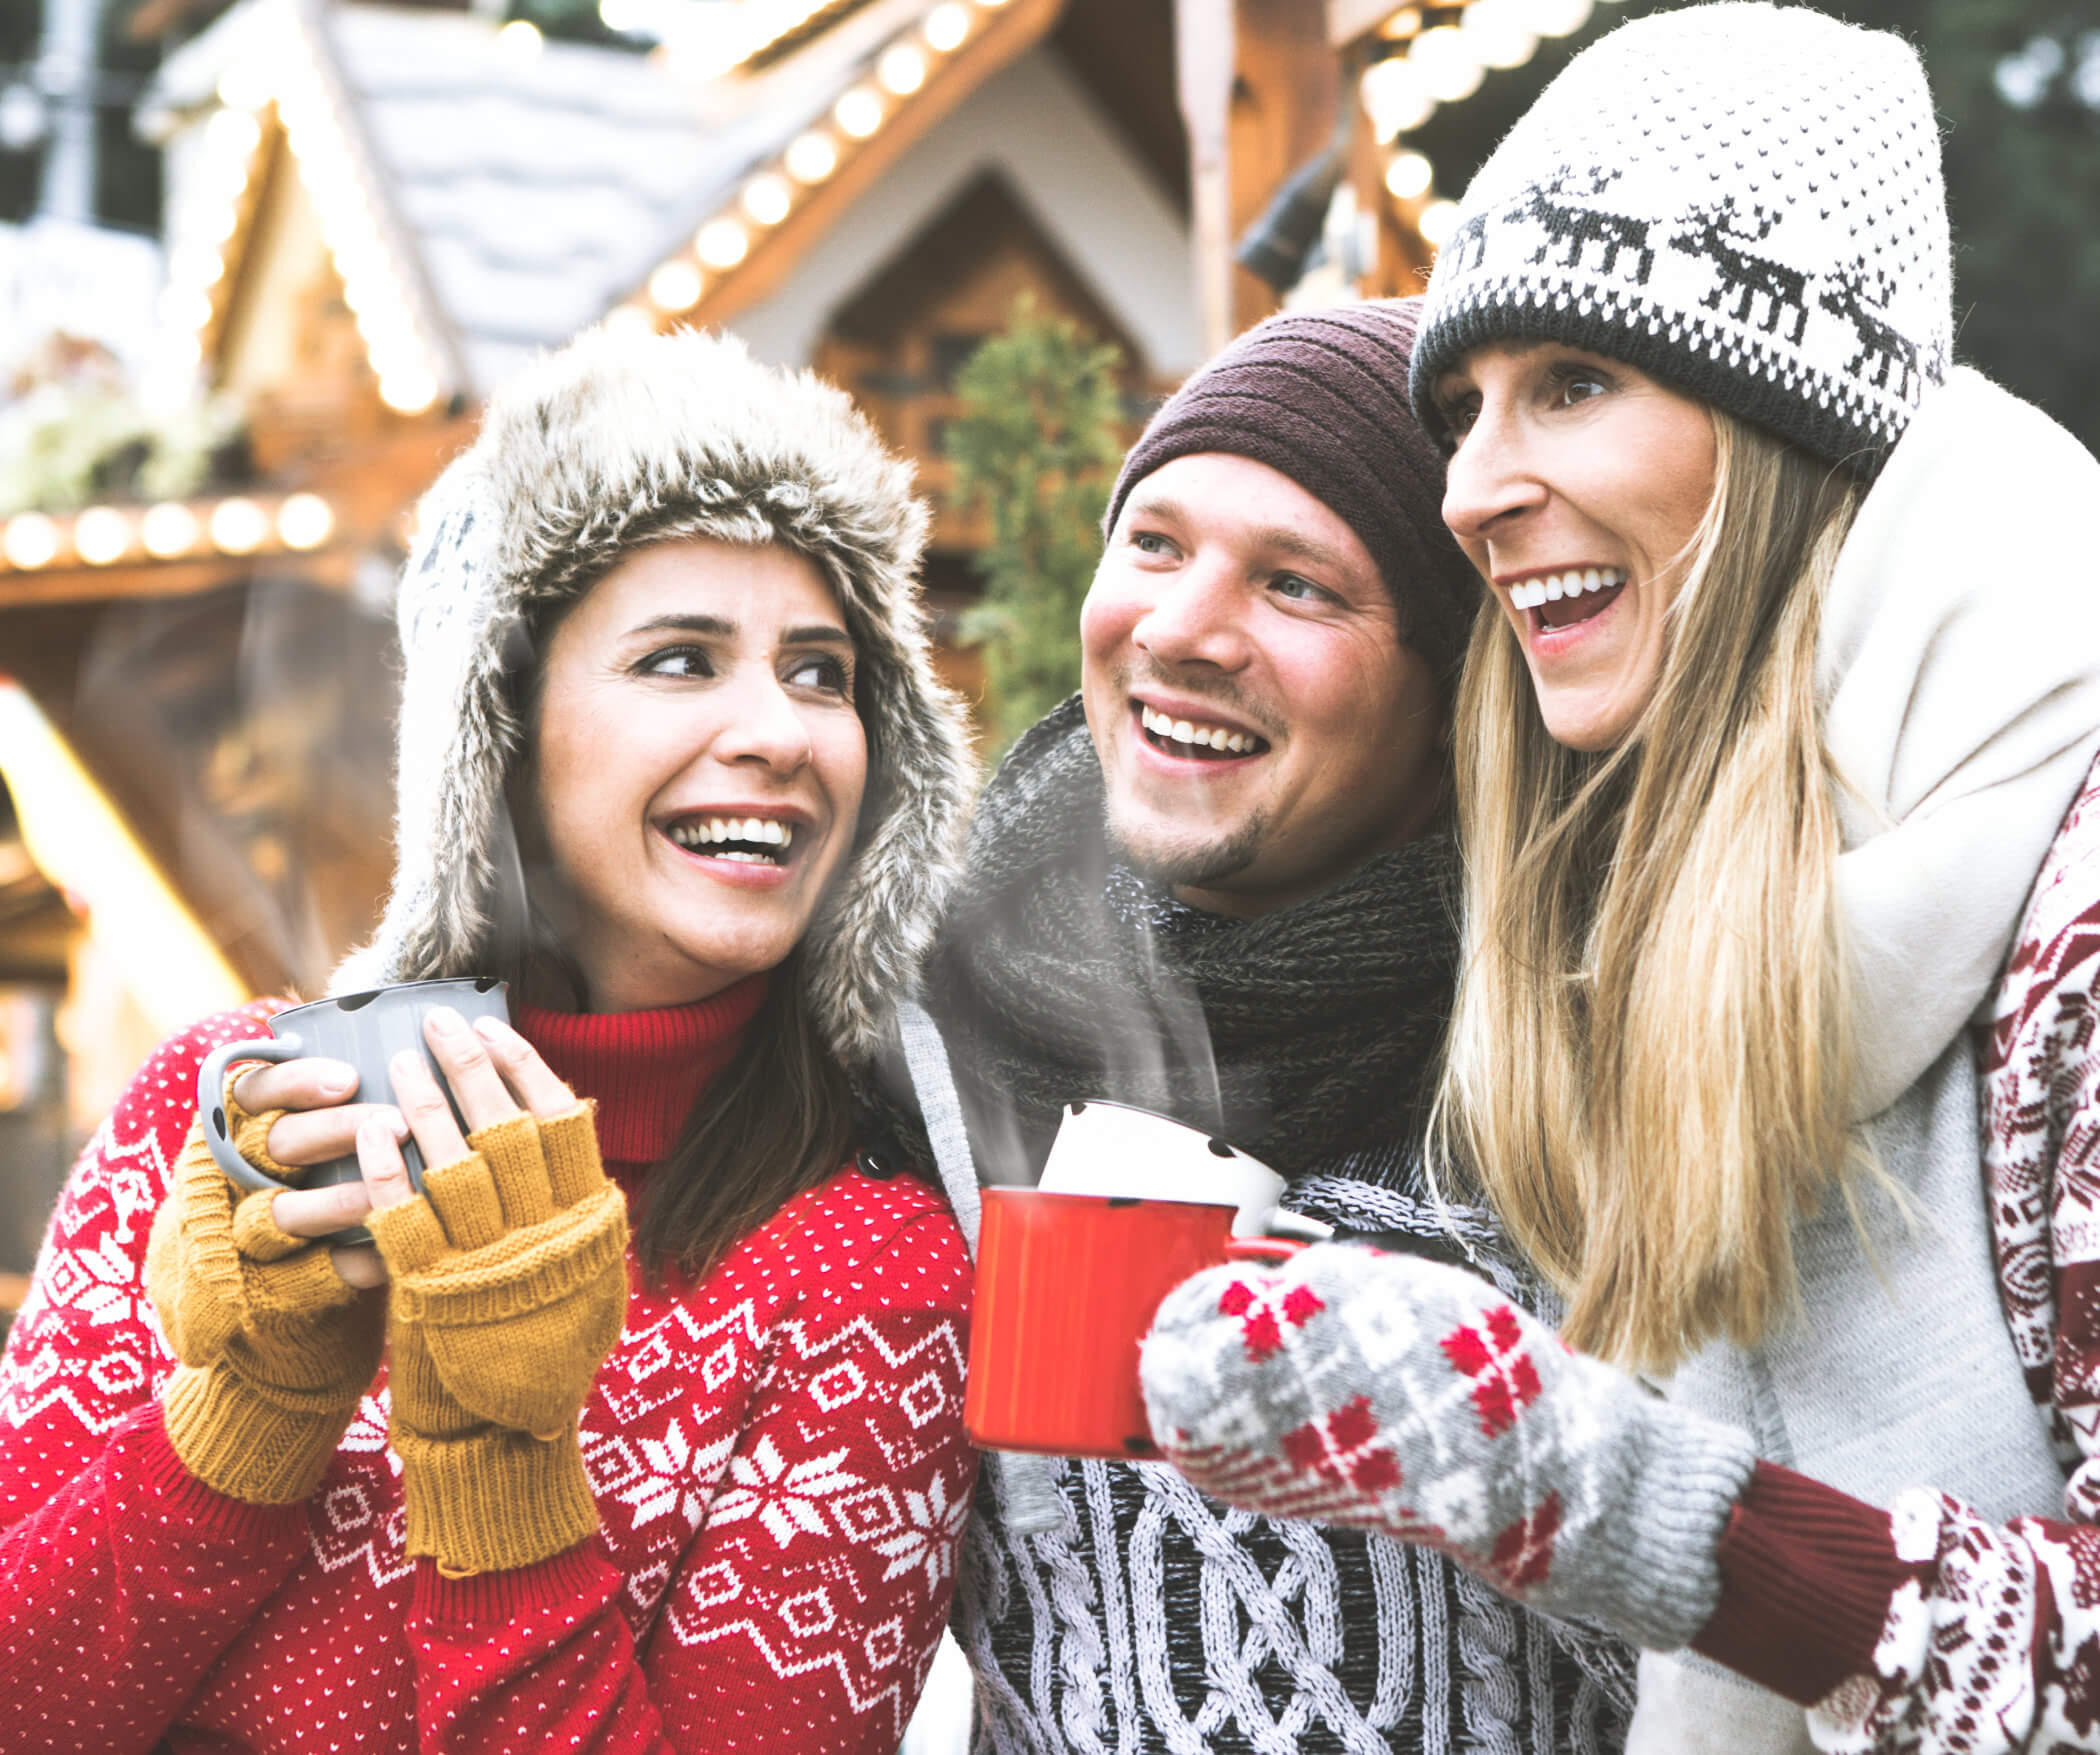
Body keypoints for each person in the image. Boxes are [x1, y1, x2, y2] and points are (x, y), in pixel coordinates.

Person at [1135, 6, 2100, 1753]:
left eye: (1572, 385)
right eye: (1465, 412)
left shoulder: (2076, 904)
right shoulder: (1660, 930)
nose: (1473, 491)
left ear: (1793, 421)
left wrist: (1663, 1520)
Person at [0, 325, 980, 1754]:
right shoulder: (226, 1122)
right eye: (682, 659)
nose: (780, 729)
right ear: (497, 738)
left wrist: (506, 1471)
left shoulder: (865, 1275)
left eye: (824, 672)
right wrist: (247, 1420)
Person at [887, 300, 1641, 1752]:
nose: (1178, 629)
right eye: (1154, 544)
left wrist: (1472, 1409)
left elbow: (1773, 1660)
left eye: (1297, 586)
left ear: (1452, 697)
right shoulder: (928, 1026)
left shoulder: (1593, 1058)